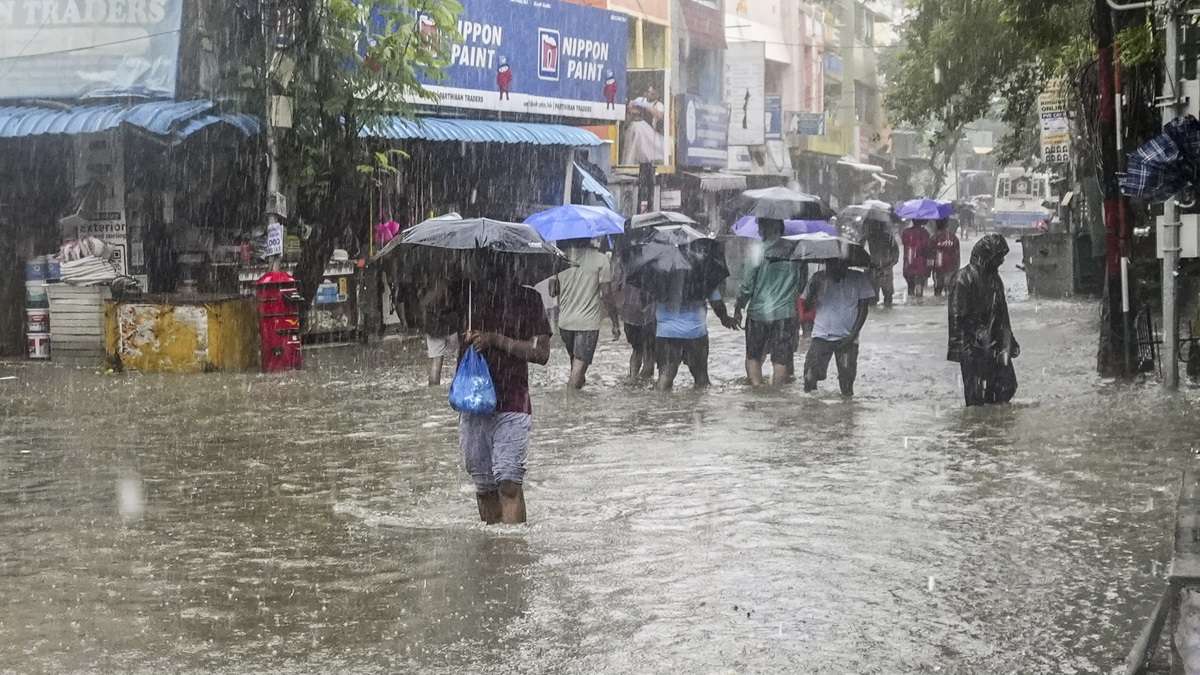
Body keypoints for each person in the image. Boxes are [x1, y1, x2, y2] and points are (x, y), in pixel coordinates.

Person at [459, 276, 552, 525]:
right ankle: (494, 552)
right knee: (485, 487)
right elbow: (424, 319)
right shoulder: (464, 294)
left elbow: (542, 354)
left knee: (509, 483)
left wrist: (496, 340)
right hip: (473, 402)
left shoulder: (529, 299)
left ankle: (513, 552)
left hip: (513, 400)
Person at [947, 234, 1019, 407]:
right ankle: (978, 429)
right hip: (972, 346)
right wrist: (965, 346)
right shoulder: (962, 279)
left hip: (995, 342)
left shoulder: (994, 279)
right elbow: (957, 317)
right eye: (999, 257)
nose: (1001, 261)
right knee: (976, 398)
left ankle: (995, 427)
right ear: (987, 256)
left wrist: (1009, 342)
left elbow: (1002, 313)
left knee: (1006, 387)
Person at [734, 219, 805, 387]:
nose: (758, 229)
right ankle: (777, 395)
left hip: (759, 313)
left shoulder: (758, 250)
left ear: (766, 227)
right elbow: (801, 284)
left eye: (759, 225)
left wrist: (739, 307)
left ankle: (758, 391)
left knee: (754, 356)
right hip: (786, 313)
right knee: (781, 359)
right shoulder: (795, 251)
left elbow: (747, 285)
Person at [801, 259, 875, 396]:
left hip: (847, 338)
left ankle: (846, 413)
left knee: (847, 382)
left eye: (838, 263)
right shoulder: (818, 278)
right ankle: (810, 412)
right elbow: (806, 307)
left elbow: (863, 309)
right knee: (809, 377)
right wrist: (812, 291)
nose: (833, 267)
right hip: (821, 336)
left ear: (846, 263)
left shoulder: (858, 278)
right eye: (830, 263)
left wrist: (853, 334)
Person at [555, 239, 619, 389]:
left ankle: (579, 405)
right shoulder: (600, 259)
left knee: (576, 367)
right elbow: (607, 295)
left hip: (565, 323)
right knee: (578, 370)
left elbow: (554, 291)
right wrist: (615, 322)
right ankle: (569, 404)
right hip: (587, 324)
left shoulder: (561, 260)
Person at [656, 290, 738, 391]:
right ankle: (700, 406)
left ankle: (659, 405)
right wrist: (724, 318)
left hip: (667, 333)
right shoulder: (703, 276)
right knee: (701, 379)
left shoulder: (660, 276)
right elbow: (716, 302)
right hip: (695, 332)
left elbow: (645, 301)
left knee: (665, 376)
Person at [611, 245, 657, 379]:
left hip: (629, 314)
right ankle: (642, 386)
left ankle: (633, 380)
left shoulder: (623, 260)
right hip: (649, 314)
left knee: (637, 350)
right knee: (649, 352)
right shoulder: (653, 261)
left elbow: (615, 286)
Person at [420, 279, 462, 386]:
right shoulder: (453, 278)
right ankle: (460, 389)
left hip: (432, 322)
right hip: (450, 321)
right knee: (461, 357)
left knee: (436, 363)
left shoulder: (429, 280)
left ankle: (433, 394)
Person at [863, 220, 900, 307]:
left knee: (876, 298)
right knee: (886, 297)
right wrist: (890, 264)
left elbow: (860, 252)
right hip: (881, 270)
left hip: (877, 270)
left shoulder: (869, 237)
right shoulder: (870, 238)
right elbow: (896, 255)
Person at [901, 219, 932, 300]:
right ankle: (918, 305)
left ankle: (910, 305)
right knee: (919, 289)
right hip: (920, 265)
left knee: (910, 288)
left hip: (908, 264)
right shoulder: (925, 233)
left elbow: (905, 244)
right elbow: (927, 249)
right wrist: (929, 268)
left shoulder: (905, 232)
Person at [930, 220, 961, 297]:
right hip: (951, 266)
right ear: (947, 225)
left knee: (938, 289)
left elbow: (930, 254)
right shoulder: (953, 238)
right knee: (950, 289)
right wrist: (957, 267)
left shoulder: (934, 238)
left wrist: (929, 268)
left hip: (938, 266)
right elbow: (957, 254)